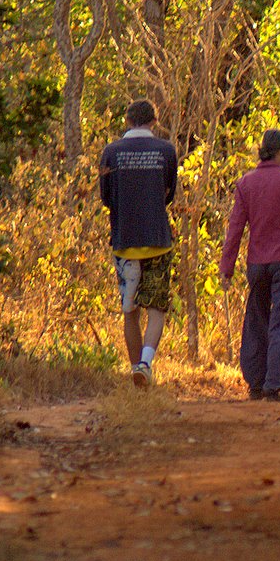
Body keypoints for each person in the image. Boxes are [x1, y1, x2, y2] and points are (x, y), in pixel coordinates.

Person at [219, 129, 280, 401]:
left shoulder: (246, 183)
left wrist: (227, 267)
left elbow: (235, 229)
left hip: (258, 263)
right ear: (279, 151)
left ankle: (255, 383)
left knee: (256, 319)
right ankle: (274, 385)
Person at [99, 99, 178, 388]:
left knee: (129, 310)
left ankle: (136, 370)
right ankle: (145, 363)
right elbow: (169, 194)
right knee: (156, 308)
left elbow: (106, 198)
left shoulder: (111, 153)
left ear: (127, 120)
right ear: (154, 122)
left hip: (124, 241)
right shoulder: (166, 151)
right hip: (157, 240)